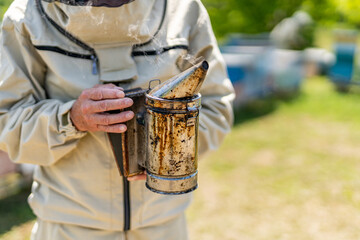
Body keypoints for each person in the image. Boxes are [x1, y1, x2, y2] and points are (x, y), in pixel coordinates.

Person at [0, 0, 234, 239]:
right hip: (71, 226)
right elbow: (6, 122)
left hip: (163, 223)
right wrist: (71, 119)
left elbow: (216, 107)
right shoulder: (26, 18)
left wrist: (171, 152)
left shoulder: (184, 9)